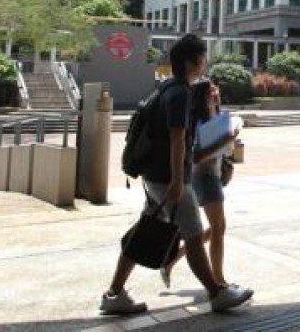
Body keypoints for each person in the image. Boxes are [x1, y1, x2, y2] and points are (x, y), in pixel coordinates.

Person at [99, 33, 253, 315]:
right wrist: (176, 181)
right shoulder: (180, 93)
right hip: (168, 178)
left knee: (142, 234)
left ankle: (114, 293)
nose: (205, 62)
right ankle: (217, 292)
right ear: (194, 61)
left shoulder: (166, 88)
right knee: (193, 235)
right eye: (203, 57)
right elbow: (177, 139)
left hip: (154, 176)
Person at [161, 77, 241, 289]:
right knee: (218, 227)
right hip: (202, 176)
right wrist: (225, 141)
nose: (215, 94)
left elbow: (220, 149)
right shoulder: (197, 121)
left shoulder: (218, 116)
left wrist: (231, 144)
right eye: (210, 92)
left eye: (216, 90)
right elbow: (196, 157)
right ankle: (218, 279)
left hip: (212, 175)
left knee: (216, 228)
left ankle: (171, 260)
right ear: (200, 97)